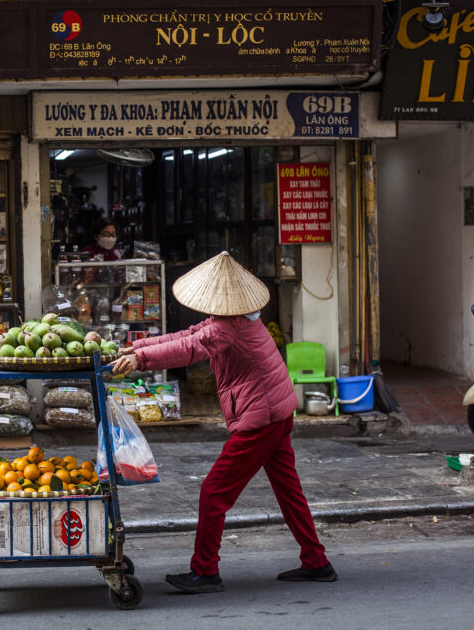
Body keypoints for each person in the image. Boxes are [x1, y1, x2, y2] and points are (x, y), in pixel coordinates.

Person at [111, 251, 336, 594]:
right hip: (276, 412)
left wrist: (140, 358)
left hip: (261, 418)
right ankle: (317, 562)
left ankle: (205, 570)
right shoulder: (237, 317)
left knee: (214, 491)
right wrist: (137, 348)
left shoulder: (227, 327)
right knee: (289, 492)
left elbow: (191, 347)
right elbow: (187, 334)